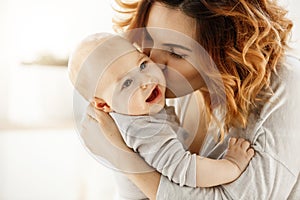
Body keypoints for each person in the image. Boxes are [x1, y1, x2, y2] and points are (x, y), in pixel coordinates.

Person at [77, 0, 300, 199]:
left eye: (175, 53)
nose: (152, 63)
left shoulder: (287, 85)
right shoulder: (160, 91)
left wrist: (122, 156)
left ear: (224, 53)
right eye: (149, 39)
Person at [68, 32, 254, 189]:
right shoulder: (140, 128)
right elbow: (184, 170)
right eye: (127, 83)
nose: (145, 80)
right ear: (103, 105)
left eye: (142, 65)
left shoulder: (139, 110)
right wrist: (232, 165)